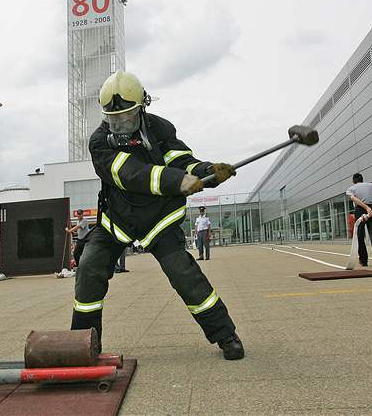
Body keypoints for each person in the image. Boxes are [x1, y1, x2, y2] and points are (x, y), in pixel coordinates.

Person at [70, 70, 244, 360]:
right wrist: (175, 181)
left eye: (126, 116)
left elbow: (181, 161)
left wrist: (207, 172)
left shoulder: (160, 129)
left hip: (159, 220)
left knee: (184, 274)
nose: (120, 124)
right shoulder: (99, 141)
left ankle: (225, 334)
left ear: (142, 107)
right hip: (117, 221)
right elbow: (127, 173)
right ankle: (80, 345)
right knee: (89, 269)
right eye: (114, 119)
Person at [346, 173, 372, 268]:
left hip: (360, 210)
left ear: (353, 181)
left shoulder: (351, 188)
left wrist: (365, 207)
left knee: (359, 235)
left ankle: (363, 260)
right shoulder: (371, 185)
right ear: (362, 179)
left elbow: (353, 198)